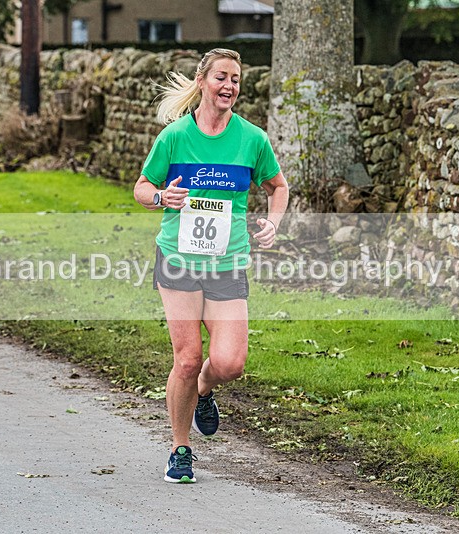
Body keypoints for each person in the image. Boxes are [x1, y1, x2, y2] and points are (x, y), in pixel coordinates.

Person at [133, 48, 289, 484]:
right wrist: (164, 197)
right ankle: (179, 450)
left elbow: (279, 186)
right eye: (222, 77)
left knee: (230, 363)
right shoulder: (175, 137)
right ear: (203, 82)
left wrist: (272, 223)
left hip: (227, 262)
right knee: (187, 358)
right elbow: (142, 187)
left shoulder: (252, 139)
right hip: (179, 259)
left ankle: (204, 390)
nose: (230, 86)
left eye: (236, 80)